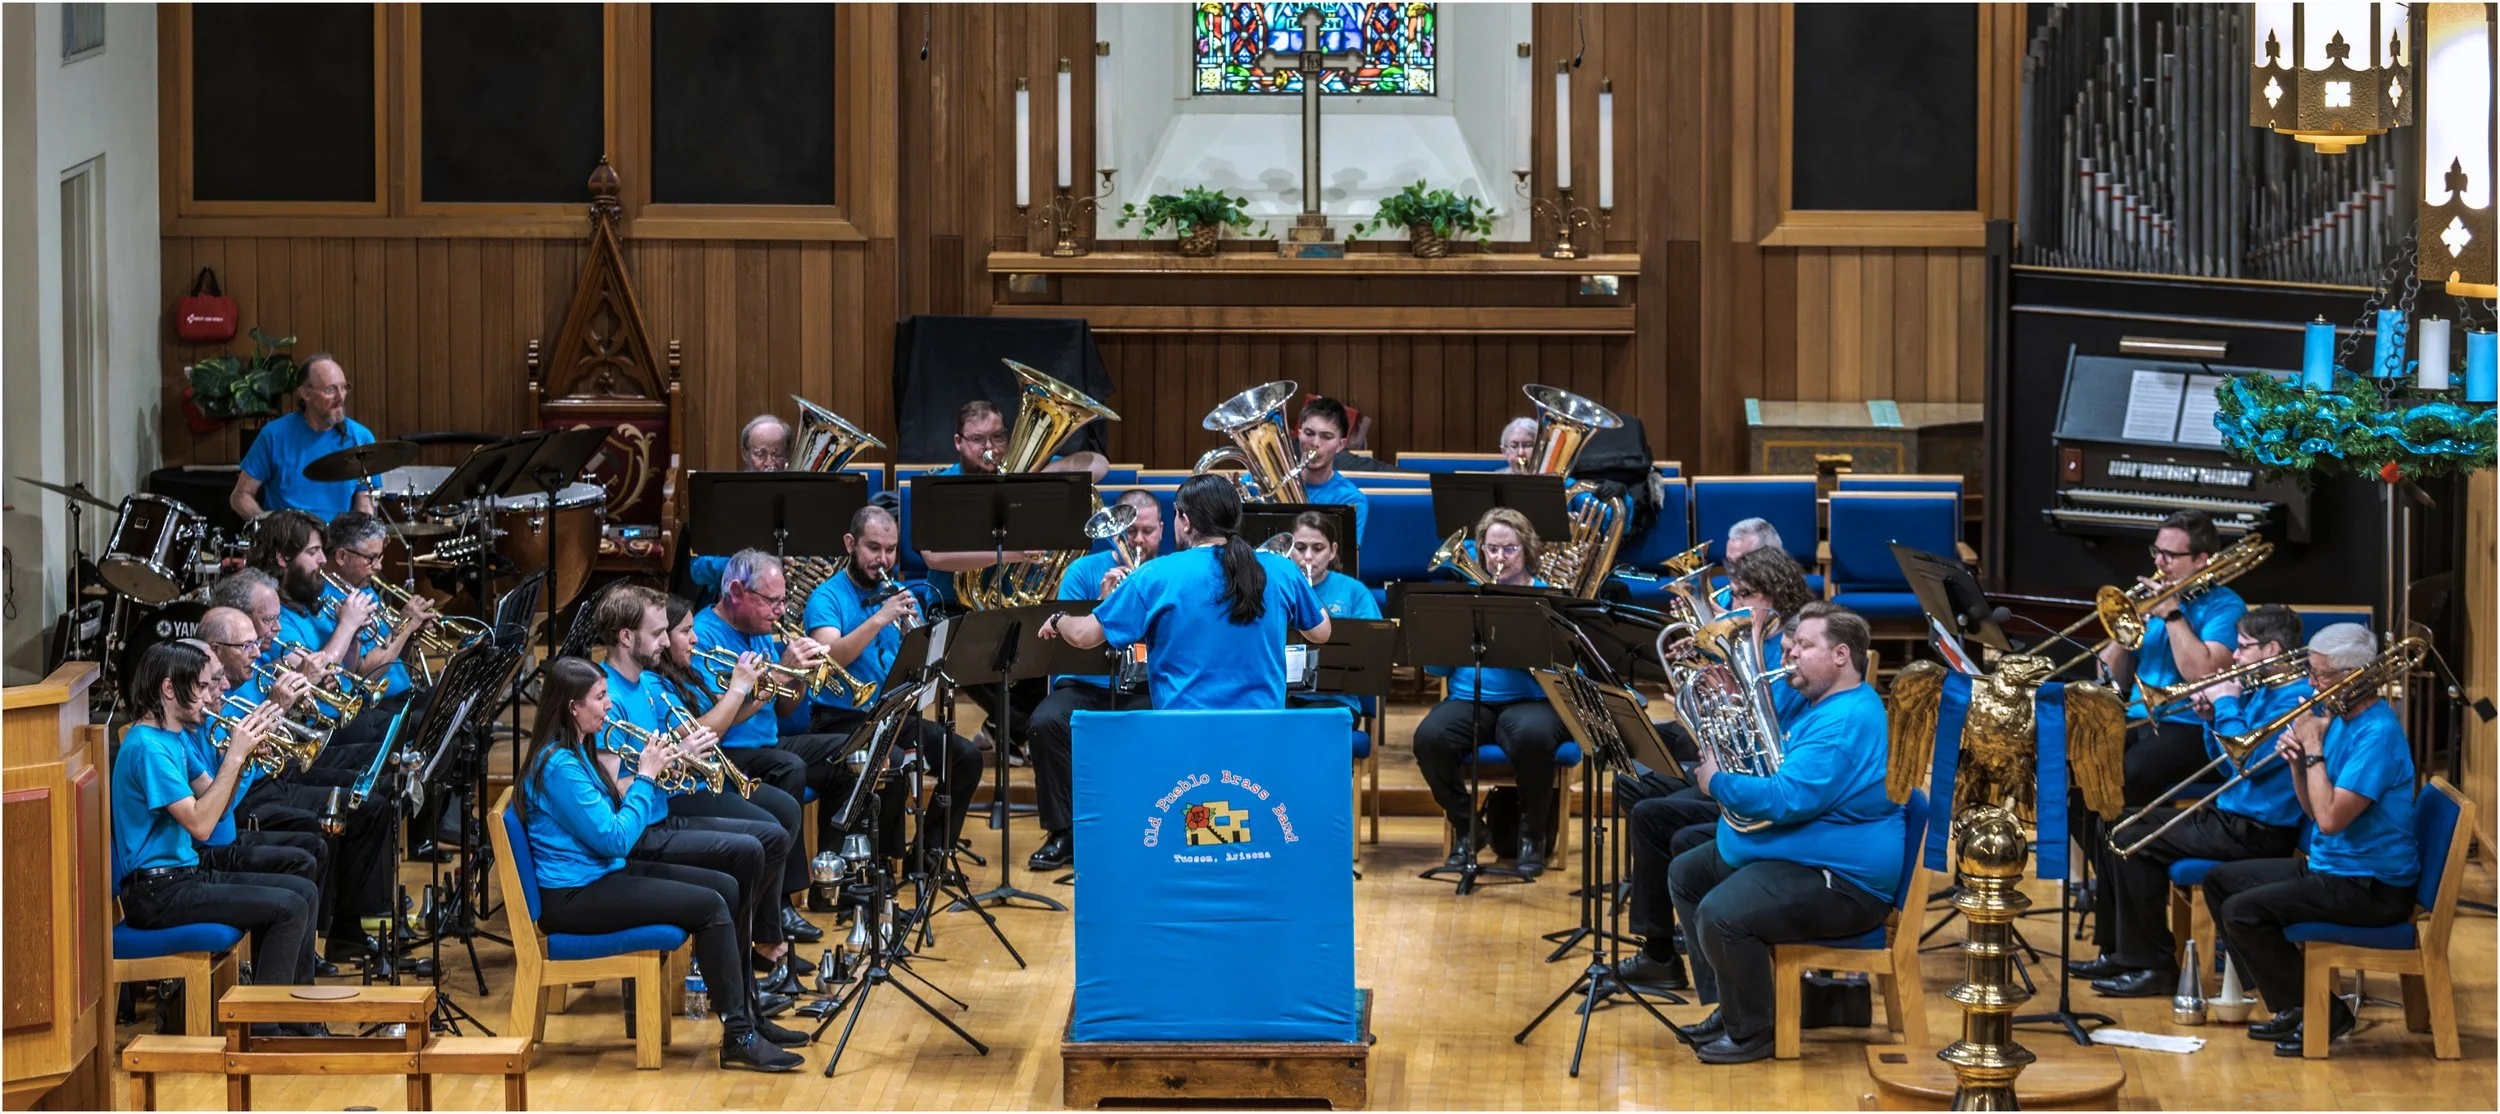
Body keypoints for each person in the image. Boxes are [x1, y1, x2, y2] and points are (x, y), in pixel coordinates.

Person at [516, 657, 807, 1071]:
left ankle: (749, 1019)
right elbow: (616, 836)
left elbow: (611, 815)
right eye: (600, 698)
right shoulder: (559, 765)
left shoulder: (576, 751)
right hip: (576, 894)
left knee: (725, 886)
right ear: (572, 708)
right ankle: (738, 1035)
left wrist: (664, 763)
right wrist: (648, 775)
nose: (609, 706)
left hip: (604, 871)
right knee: (711, 906)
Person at [1665, 602, 1904, 1064]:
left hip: (1845, 883)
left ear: (1840, 655)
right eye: (1791, 646)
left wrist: (1718, 781)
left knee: (1722, 913)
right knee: (1688, 872)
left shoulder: (1844, 721)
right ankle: (1732, 1006)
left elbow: (1786, 799)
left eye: (1804, 647)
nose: (1789, 656)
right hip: (1809, 856)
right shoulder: (1826, 705)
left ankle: (1756, 1033)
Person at [2202, 623, 2419, 1056]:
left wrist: (2314, 748)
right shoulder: (2339, 717)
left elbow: (2331, 819)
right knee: (2220, 882)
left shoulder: (2377, 734)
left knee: (2242, 913)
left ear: (2356, 676)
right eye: (2312, 672)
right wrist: (2298, 765)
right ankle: (2293, 1007)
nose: (2311, 684)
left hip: (2371, 885)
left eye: (2320, 676)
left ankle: (2326, 1014)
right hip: (2334, 865)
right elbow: (2313, 812)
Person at [1614, 545, 1821, 992]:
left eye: (1743, 593)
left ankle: (1666, 951)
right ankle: (1663, 943)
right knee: (1639, 791)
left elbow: (1773, 724)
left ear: (1774, 594)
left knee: (1656, 818)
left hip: (1763, 783)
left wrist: (1726, 690)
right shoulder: (1747, 637)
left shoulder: (1789, 651)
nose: (1733, 601)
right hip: (1739, 768)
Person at [2080, 604, 2312, 998]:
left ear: (2272, 649)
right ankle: (2124, 949)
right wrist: (2210, 719)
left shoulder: (2297, 701)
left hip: (2257, 832)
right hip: (2230, 819)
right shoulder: (2264, 690)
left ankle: (2153, 964)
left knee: (2128, 837)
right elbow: (2225, 763)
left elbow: (2248, 763)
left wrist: (2225, 704)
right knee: (2115, 823)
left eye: (2243, 647)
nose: (2234, 656)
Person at [595, 585, 818, 990]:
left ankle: (746, 964)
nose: (667, 641)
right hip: (647, 824)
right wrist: (677, 754)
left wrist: (750, 695)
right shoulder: (604, 695)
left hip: (667, 805)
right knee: (758, 841)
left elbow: (699, 733)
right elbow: (615, 792)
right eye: (661, 632)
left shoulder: (648, 683)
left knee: (771, 830)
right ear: (626, 637)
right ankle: (738, 972)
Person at [206, 569, 413, 974]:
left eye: (257, 637)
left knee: (373, 796)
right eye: (258, 632)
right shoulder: (217, 690)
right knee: (330, 825)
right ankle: (323, 941)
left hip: (274, 774)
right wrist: (286, 702)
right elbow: (230, 767)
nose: (259, 646)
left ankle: (351, 926)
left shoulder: (250, 671)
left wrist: (305, 688)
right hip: (253, 793)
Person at [113, 641, 320, 1009]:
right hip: (157, 893)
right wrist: (235, 756)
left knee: (303, 892)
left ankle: (298, 1016)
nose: (212, 697)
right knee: (287, 907)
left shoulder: (171, 737)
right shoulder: (147, 747)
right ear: (169, 689)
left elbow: (218, 807)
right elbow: (202, 826)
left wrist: (239, 763)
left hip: (183, 876)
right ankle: (263, 1028)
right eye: (204, 686)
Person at [1040, 473, 1329, 712]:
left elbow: (1083, 636)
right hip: (1262, 733)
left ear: (1185, 521)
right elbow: (1321, 633)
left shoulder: (1155, 575)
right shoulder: (1282, 569)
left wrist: (1058, 619)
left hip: (1183, 734)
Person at [916, 398, 1108, 751]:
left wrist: (1025, 481)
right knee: (970, 660)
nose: (990, 448)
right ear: (958, 442)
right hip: (955, 607)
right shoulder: (940, 487)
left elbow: (1098, 464)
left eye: (998, 437)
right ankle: (1022, 734)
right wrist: (1012, 554)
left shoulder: (1022, 467)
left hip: (1016, 606)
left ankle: (1010, 732)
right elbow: (935, 556)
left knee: (1052, 646)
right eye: (977, 439)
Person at [797, 506, 982, 867]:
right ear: (850, 544)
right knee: (889, 757)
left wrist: (919, 640)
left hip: (891, 715)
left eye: (891, 549)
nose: (883, 559)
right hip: (843, 718)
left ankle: (925, 853)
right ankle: (868, 866)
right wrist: (881, 617)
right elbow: (830, 655)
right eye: (873, 548)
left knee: (965, 757)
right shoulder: (827, 597)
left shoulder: (894, 591)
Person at [649, 593, 821, 942]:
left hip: (707, 777)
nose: (694, 639)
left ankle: (769, 928)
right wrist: (740, 686)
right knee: (777, 816)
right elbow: (710, 729)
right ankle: (767, 934)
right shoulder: (657, 683)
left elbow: (725, 717)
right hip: (683, 792)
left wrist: (762, 692)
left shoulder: (684, 675)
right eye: (685, 632)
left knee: (784, 809)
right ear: (663, 639)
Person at [2077, 510, 2246, 861]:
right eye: (2156, 551)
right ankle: (2111, 883)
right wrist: (2125, 631)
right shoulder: (2149, 602)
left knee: (2128, 774)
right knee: (2079, 770)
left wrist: (2172, 615)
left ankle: (2130, 878)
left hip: (2194, 727)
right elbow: (2108, 678)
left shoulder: (2225, 607)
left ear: (2201, 560)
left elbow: (2202, 674)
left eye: (2170, 555)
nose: (2159, 562)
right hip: (2140, 717)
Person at [1410, 507, 1567, 877]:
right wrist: (1433, 647)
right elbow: (1439, 670)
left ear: (1527, 549)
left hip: (1533, 701)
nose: (1499, 558)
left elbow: (1566, 666)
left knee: (1532, 736)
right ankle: (1468, 827)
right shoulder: (1466, 597)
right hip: (1469, 698)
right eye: (1491, 549)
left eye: (1509, 549)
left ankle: (1532, 836)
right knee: (1430, 738)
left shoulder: (1550, 598)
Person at [1025, 490, 1165, 871]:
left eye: (1147, 531)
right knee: (1045, 722)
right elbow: (1067, 640)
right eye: (1130, 531)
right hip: (1086, 683)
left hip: (1144, 685)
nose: (1138, 541)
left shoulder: (1167, 573)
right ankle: (1063, 833)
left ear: (1163, 531)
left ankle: (1155, 827)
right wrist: (1106, 608)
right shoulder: (1083, 572)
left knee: (1172, 721)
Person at [231, 354, 377, 521]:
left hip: (338, 542)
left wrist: (360, 539)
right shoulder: (274, 435)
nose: (341, 397)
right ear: (305, 393)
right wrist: (270, 529)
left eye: (344, 388)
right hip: (289, 541)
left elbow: (364, 506)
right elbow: (241, 496)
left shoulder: (361, 438)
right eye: (330, 390)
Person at [1294, 397, 1369, 544]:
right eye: (1309, 433)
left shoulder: (1351, 501)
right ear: (1299, 434)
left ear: (1341, 445)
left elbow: (1345, 564)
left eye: (1326, 437)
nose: (1315, 443)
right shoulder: (1265, 482)